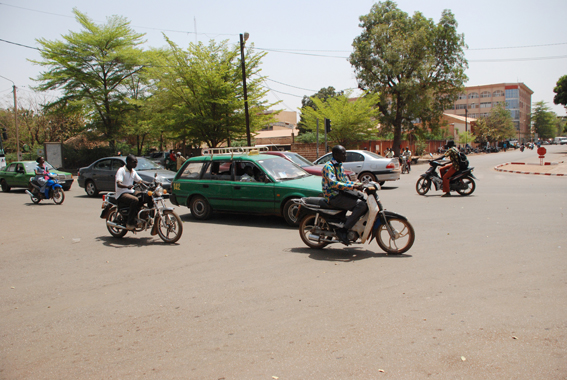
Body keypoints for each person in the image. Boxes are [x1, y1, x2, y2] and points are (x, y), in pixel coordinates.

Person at [321, 145, 366, 245]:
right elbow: (333, 183)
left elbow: (344, 181)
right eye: (343, 153)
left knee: (363, 199)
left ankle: (354, 224)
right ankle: (344, 230)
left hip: (341, 193)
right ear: (336, 154)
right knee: (361, 205)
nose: (345, 155)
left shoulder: (339, 165)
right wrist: (353, 186)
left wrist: (357, 184)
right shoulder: (328, 167)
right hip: (333, 196)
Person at [115, 154, 151, 230]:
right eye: (134, 162)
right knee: (135, 200)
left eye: (136, 162)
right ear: (128, 162)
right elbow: (118, 184)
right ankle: (130, 222)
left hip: (131, 191)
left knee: (147, 195)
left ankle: (147, 217)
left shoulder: (133, 171)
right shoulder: (121, 170)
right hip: (122, 193)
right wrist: (126, 186)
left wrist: (151, 183)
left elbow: (140, 181)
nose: (136, 164)